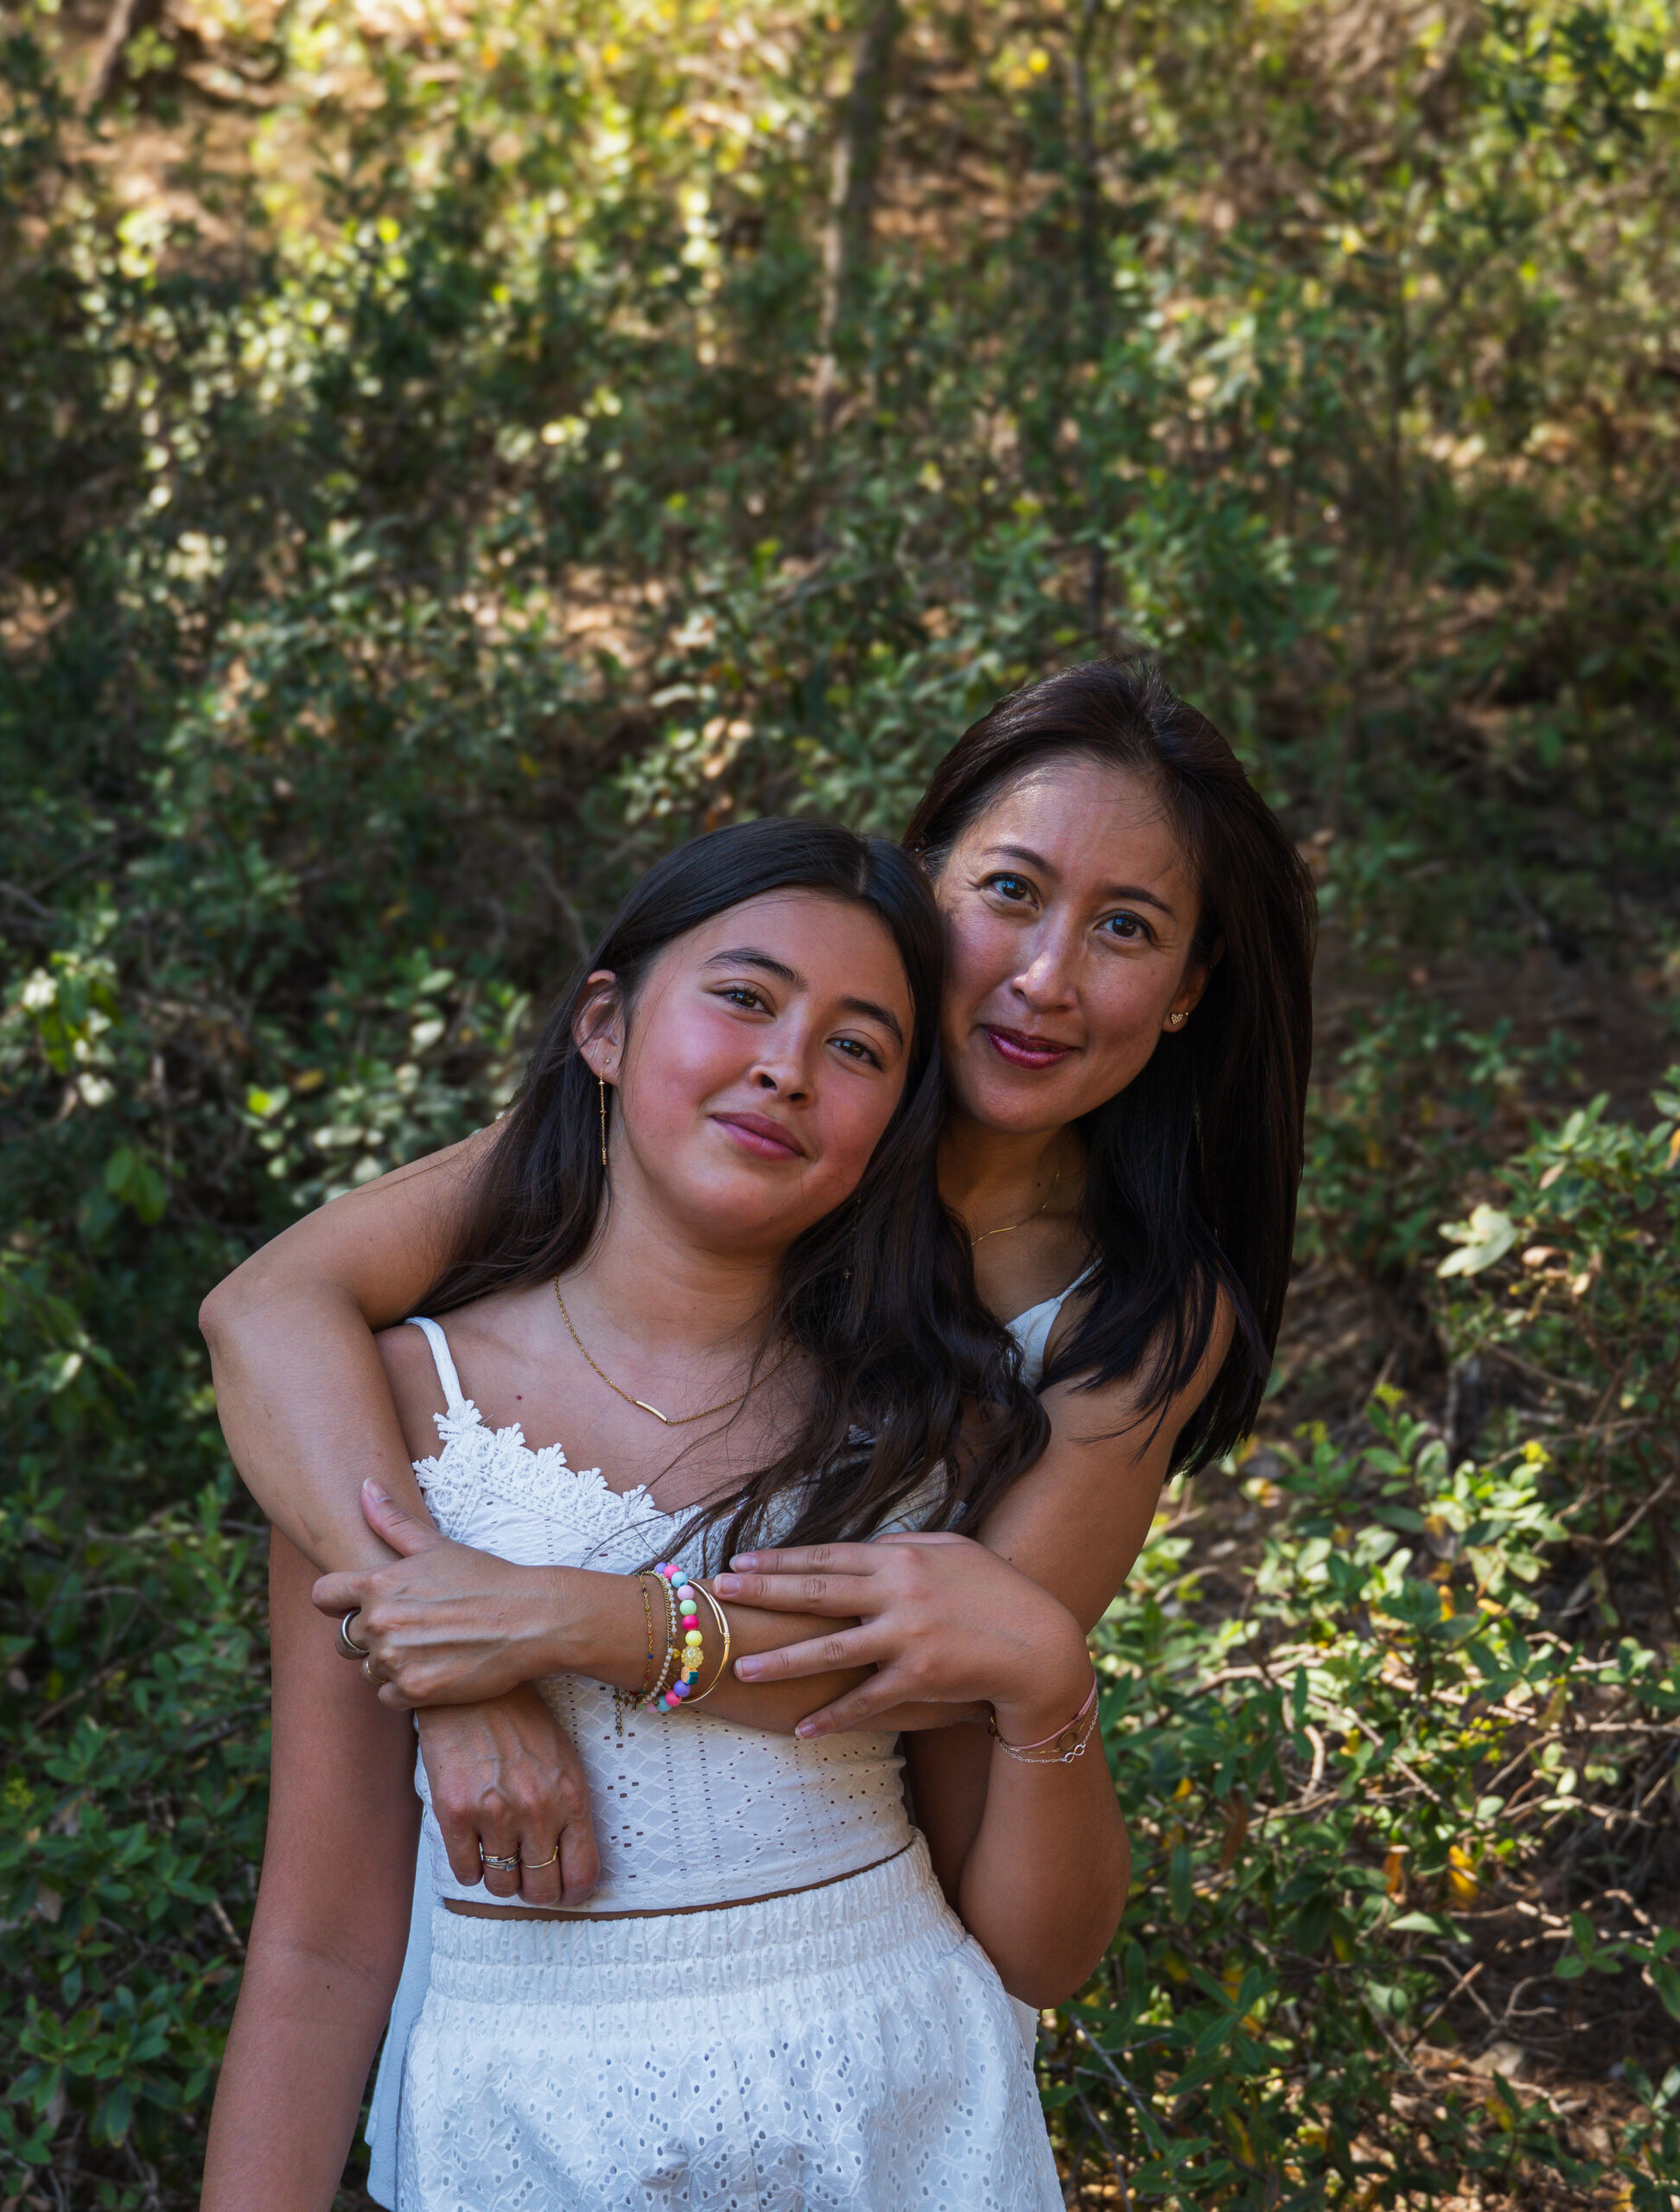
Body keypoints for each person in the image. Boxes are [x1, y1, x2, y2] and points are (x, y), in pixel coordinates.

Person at [200, 658, 1315, 2187]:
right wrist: (441, 1660)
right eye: (1010, 892)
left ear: (1189, 991)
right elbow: (266, 1314)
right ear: (925, 889)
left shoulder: (1126, 1320)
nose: (1047, 976)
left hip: (872, 2028)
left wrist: (546, 1623)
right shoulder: (714, 1114)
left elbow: (937, 1682)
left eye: (1127, 930)